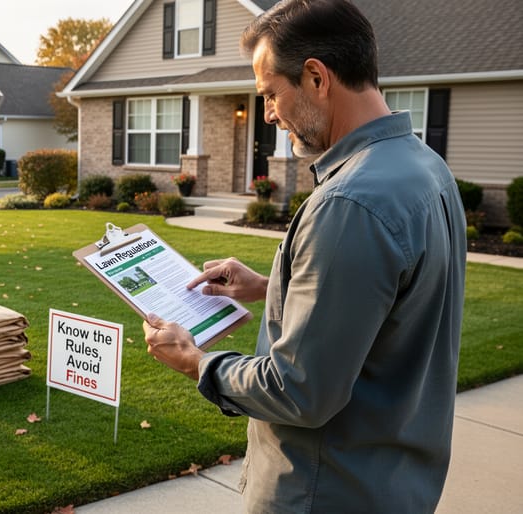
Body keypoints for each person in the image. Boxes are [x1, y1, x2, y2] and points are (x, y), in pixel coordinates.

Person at [142, 0, 467, 512]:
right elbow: (389, 299)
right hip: (395, 483)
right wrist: (270, 284)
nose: (269, 114)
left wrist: (196, 362)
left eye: (271, 94)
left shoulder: (350, 202)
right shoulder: (425, 167)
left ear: (316, 77)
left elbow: (299, 390)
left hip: (325, 489)